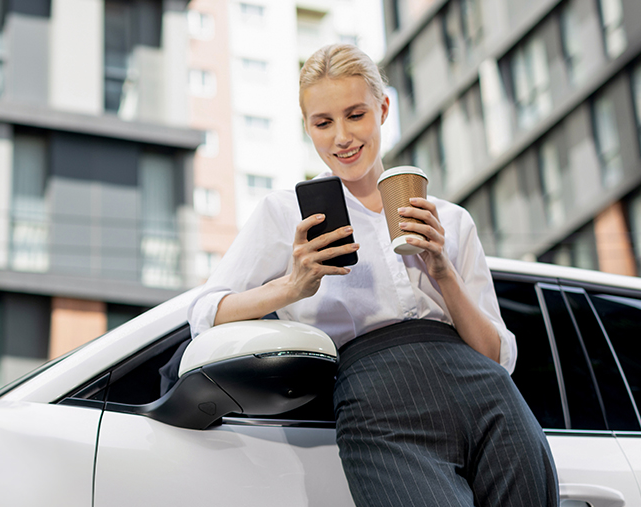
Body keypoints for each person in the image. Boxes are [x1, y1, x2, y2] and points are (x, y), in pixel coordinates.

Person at [188, 43, 558, 507]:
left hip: (490, 399)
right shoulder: (286, 215)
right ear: (308, 128)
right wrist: (291, 286)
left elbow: (495, 355)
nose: (342, 137)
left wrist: (442, 269)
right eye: (323, 123)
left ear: (383, 109)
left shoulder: (450, 219)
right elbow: (204, 312)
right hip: (379, 402)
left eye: (355, 115)